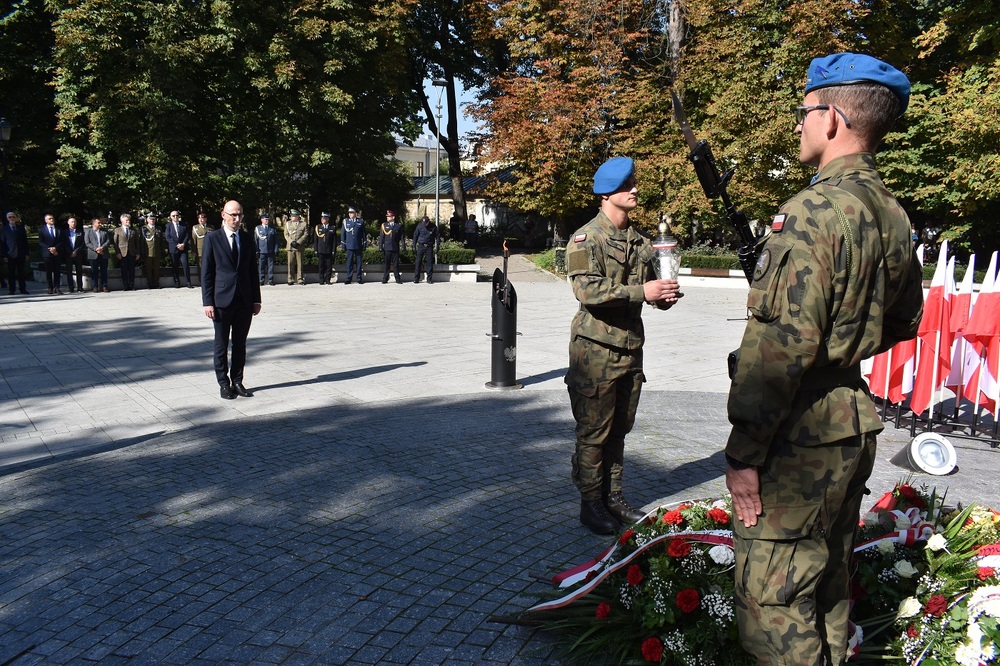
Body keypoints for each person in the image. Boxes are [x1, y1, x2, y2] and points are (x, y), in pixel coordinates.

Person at [724, 53, 924, 666]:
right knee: (829, 584)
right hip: (850, 423)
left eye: (805, 112)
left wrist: (744, 451)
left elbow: (780, 346)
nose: (800, 125)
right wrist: (848, 345)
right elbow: (906, 318)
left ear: (832, 117)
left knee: (774, 605)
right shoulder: (890, 212)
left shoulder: (813, 210)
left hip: (799, 433)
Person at [564, 156, 682, 535]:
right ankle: (591, 502)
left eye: (634, 184)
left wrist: (662, 296)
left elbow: (651, 290)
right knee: (593, 430)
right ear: (607, 193)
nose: (634, 191)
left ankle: (614, 496)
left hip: (630, 349)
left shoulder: (642, 242)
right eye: (627, 185)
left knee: (619, 429)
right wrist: (641, 291)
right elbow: (587, 290)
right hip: (595, 350)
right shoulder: (586, 238)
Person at [202, 200, 262, 400]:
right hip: (221, 301)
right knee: (221, 345)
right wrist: (207, 302)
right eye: (233, 215)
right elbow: (207, 273)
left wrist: (256, 299)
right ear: (223, 215)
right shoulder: (212, 238)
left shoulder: (246, 239)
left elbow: (253, 272)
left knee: (240, 344)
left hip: (244, 300)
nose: (236, 219)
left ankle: (237, 380)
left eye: (239, 215)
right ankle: (223, 383)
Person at [2, 211, 30, 295]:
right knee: (11, 273)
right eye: (10, 217)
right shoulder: (4, 230)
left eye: (13, 217)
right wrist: (4, 256)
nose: (12, 219)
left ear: (15, 218)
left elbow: (25, 242)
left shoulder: (21, 228)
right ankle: (12, 289)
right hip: (10, 254)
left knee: (21, 272)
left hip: (21, 254)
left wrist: (27, 254)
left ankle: (23, 289)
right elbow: (2, 244)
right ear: (7, 219)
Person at [164, 210, 192, 288]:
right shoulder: (168, 226)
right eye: (173, 216)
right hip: (174, 248)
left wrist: (183, 244)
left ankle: (188, 282)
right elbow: (168, 237)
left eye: (177, 215)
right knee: (174, 265)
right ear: (171, 217)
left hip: (183, 248)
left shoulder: (184, 224)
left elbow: (187, 235)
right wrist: (177, 245)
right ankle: (177, 282)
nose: (175, 217)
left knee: (185, 264)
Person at [113, 213, 140, 291]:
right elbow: (115, 243)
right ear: (122, 221)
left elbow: (137, 243)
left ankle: (132, 285)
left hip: (131, 253)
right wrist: (117, 252)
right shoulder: (117, 230)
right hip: (122, 253)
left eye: (129, 220)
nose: (128, 221)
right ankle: (125, 285)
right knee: (124, 270)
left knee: (132, 269)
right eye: (127, 220)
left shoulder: (133, 230)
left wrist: (138, 253)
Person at [39, 213, 64, 294]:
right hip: (47, 253)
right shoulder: (41, 230)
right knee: (48, 271)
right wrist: (49, 248)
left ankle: (57, 287)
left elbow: (62, 241)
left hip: (57, 252)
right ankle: (50, 287)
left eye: (52, 218)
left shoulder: (59, 229)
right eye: (50, 218)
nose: (52, 220)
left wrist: (55, 248)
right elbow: (41, 242)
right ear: (46, 220)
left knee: (57, 270)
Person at [378, 210, 405, 284]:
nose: (387, 218)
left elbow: (402, 237)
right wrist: (380, 246)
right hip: (387, 248)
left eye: (389, 216)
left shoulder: (398, 225)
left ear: (393, 217)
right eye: (387, 216)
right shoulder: (384, 225)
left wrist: (403, 246)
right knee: (387, 264)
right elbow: (381, 237)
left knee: (396, 264)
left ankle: (397, 278)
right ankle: (385, 278)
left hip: (395, 247)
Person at [340, 207, 366, 284]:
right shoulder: (346, 222)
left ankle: (359, 278)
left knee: (359, 263)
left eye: (352, 213)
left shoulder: (360, 221)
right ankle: (348, 278)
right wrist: (343, 244)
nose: (350, 214)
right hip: (349, 245)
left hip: (358, 245)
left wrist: (364, 243)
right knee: (349, 263)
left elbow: (364, 234)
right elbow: (343, 234)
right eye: (349, 213)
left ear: (355, 213)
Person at [85, 216, 111, 292]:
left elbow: (108, 241)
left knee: (104, 271)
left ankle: (104, 286)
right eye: (98, 222)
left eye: (100, 222)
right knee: (94, 271)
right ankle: (95, 286)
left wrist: (102, 248)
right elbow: (87, 242)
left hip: (103, 253)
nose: (100, 224)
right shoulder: (88, 231)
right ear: (93, 223)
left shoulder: (104, 231)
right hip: (93, 254)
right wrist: (96, 249)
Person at [284, 209, 308, 285]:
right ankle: (290, 279)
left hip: (299, 246)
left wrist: (298, 242)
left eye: (293, 216)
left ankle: (300, 279)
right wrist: (291, 242)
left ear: (298, 216)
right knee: (290, 263)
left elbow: (305, 234)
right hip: (290, 246)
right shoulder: (288, 224)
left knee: (300, 263)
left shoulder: (303, 224)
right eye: (291, 216)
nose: (292, 217)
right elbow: (286, 234)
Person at [412, 215, 438, 283]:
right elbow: (415, 235)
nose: (425, 224)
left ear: (428, 221)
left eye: (426, 223)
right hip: (421, 246)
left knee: (429, 263)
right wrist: (414, 246)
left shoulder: (433, 226)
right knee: (418, 262)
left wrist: (437, 246)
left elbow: (437, 236)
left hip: (429, 246)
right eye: (424, 223)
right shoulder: (419, 226)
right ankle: (416, 278)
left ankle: (429, 279)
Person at [64, 216, 87, 293]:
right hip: (68, 254)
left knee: (79, 271)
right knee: (69, 271)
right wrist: (70, 252)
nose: (73, 223)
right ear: (68, 222)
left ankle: (80, 287)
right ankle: (71, 287)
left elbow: (83, 243)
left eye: (74, 222)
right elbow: (64, 244)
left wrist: (76, 251)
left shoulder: (80, 232)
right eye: (72, 222)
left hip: (78, 254)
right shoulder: (64, 232)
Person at [140, 214, 164, 288]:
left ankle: (156, 283)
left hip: (157, 252)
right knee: (149, 269)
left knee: (157, 269)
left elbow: (161, 241)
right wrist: (142, 252)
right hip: (148, 252)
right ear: (147, 220)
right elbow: (141, 242)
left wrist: (162, 251)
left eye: (153, 219)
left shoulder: (158, 229)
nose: (152, 220)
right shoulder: (144, 229)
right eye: (150, 219)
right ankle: (150, 283)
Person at [254, 212, 277, 286]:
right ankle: (261, 280)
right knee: (261, 266)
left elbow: (276, 240)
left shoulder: (272, 229)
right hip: (262, 250)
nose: (267, 220)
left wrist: (276, 249)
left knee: (271, 266)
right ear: (262, 220)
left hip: (270, 250)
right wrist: (256, 250)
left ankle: (270, 280)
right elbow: (256, 240)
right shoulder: (258, 228)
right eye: (265, 219)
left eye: (267, 219)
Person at [313, 212, 337, 284]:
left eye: (324, 218)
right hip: (321, 250)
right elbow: (315, 240)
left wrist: (333, 250)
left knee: (329, 266)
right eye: (322, 218)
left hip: (329, 250)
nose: (323, 220)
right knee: (321, 266)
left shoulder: (332, 228)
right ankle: (321, 279)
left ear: (327, 219)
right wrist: (316, 249)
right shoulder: (318, 227)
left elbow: (334, 241)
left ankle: (327, 279)